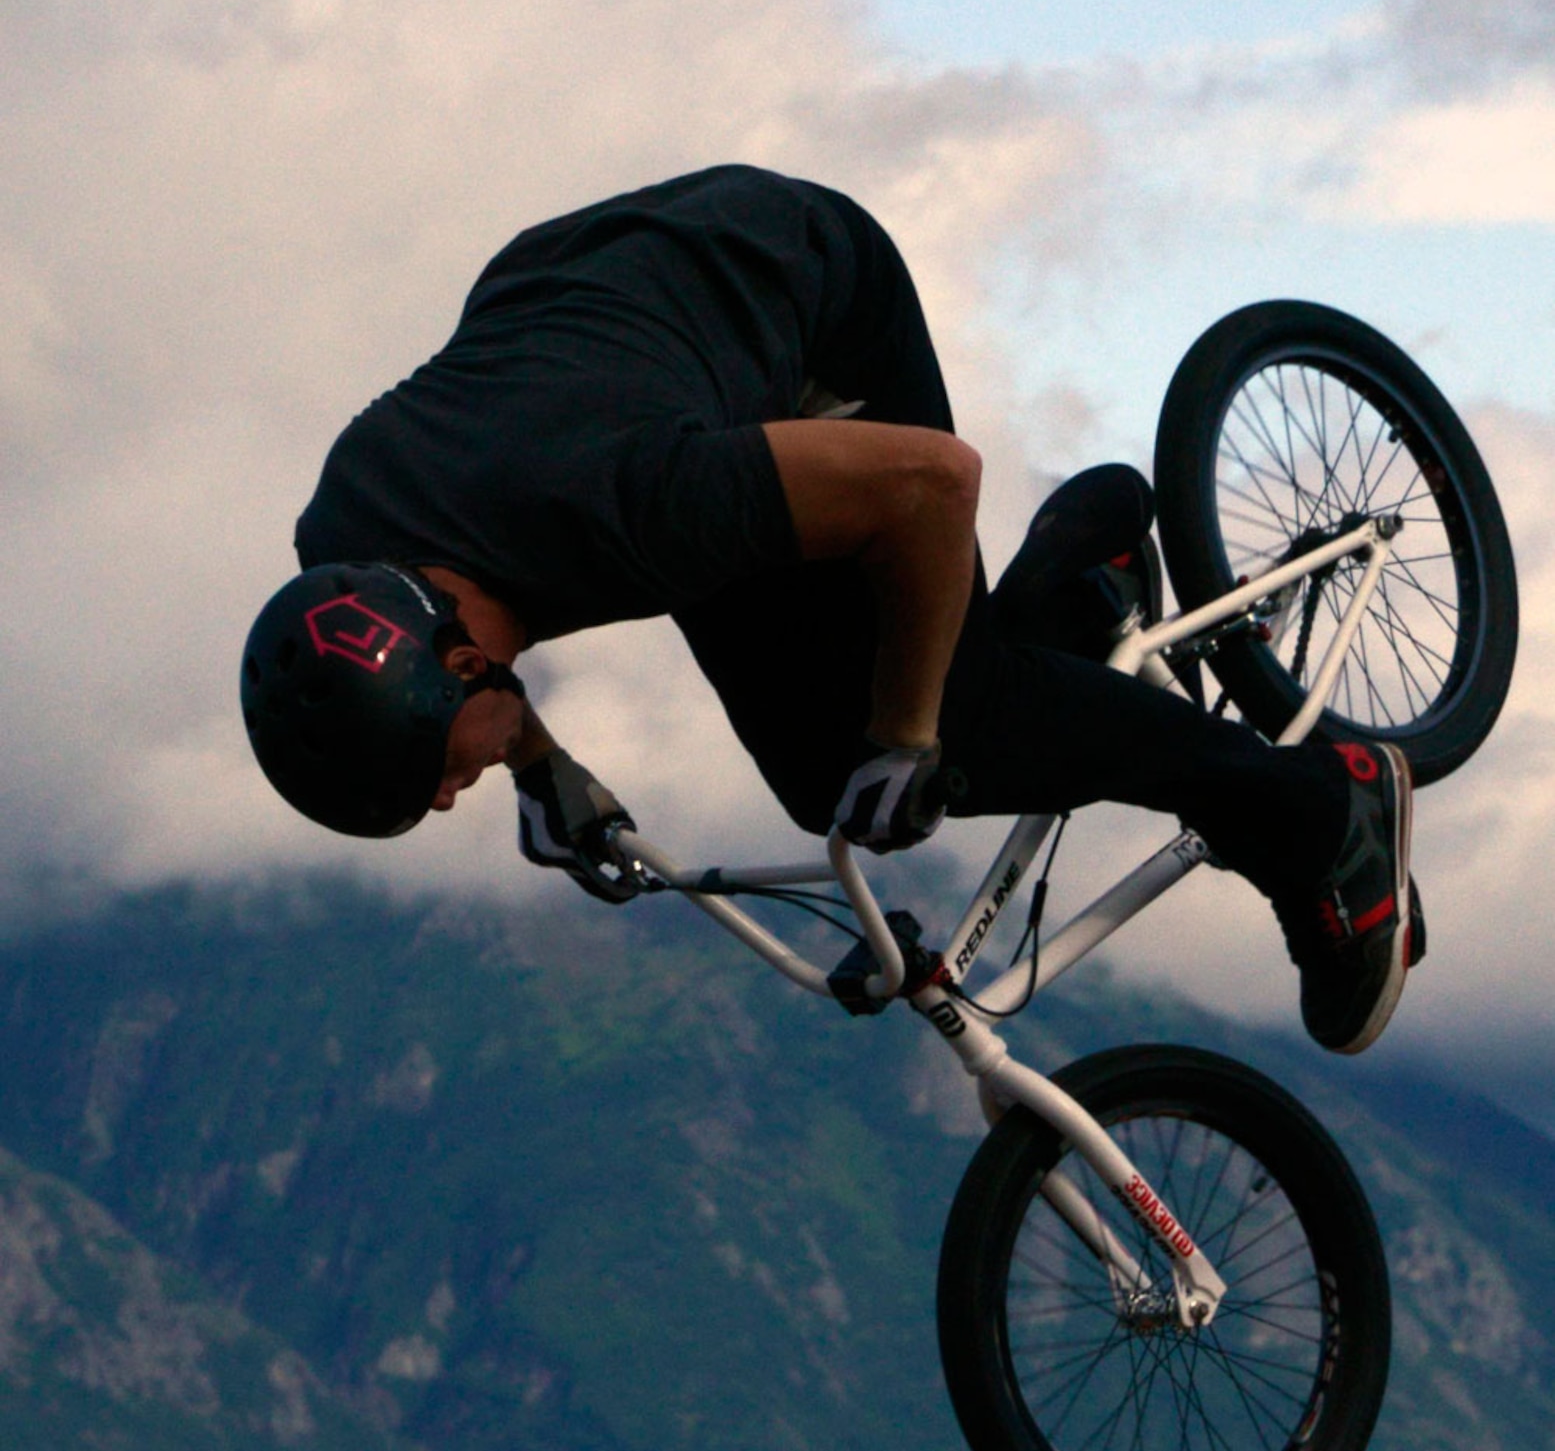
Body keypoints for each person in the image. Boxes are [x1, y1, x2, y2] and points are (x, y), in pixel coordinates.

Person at [241, 165, 1419, 1055]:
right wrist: (544, 767)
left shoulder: (636, 510)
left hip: (805, 295)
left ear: (449, 660)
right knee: (833, 764)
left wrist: (912, 736)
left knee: (932, 721)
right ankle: (1077, 581)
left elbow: (933, 483)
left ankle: (1321, 811)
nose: (451, 795)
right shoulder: (345, 560)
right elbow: (462, 655)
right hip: (614, 316)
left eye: (438, 775)